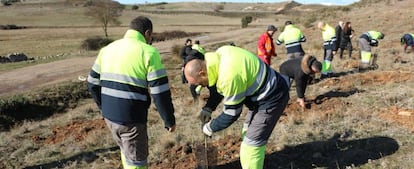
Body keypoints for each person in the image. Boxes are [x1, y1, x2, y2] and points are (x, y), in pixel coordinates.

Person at [87, 16, 176, 169]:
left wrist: (103, 107)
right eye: (151, 36)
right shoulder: (148, 52)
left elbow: (92, 82)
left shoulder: (107, 49)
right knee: (137, 162)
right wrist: (169, 120)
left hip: (109, 117)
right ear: (147, 33)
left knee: (125, 151)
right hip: (132, 120)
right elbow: (160, 92)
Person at [184, 45, 290, 169]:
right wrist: (208, 108)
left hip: (272, 97)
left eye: (200, 83)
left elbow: (231, 114)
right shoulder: (220, 55)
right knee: (247, 133)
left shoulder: (228, 77)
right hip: (261, 95)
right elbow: (219, 88)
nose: (201, 86)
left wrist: (210, 127)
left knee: (252, 145)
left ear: (202, 73)